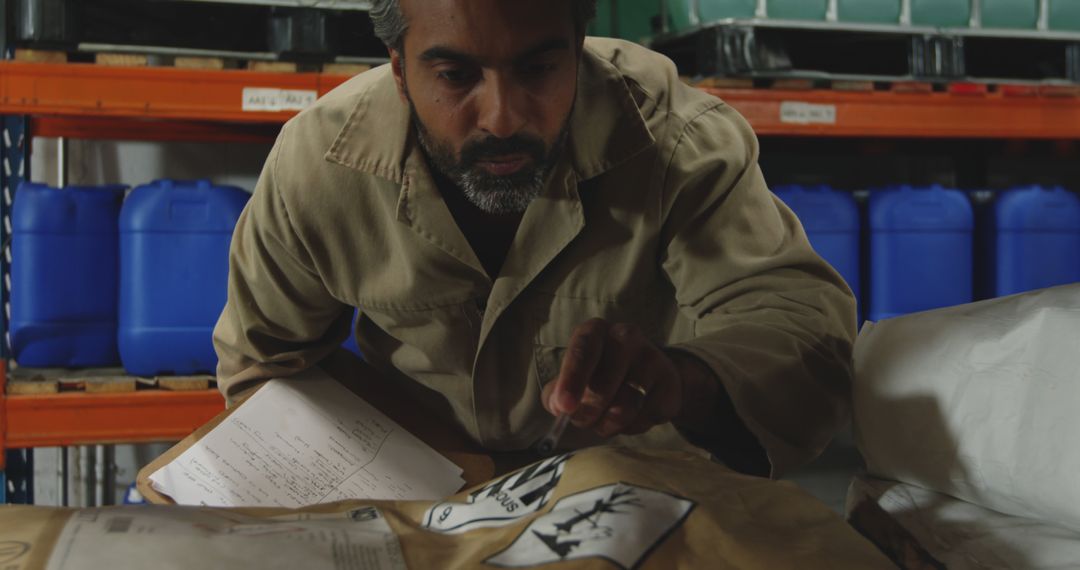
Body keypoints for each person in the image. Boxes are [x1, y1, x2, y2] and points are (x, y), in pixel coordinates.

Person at [212, 0, 856, 478]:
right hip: (424, 499)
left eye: (540, 68)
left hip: (644, 503)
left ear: (579, 46)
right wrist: (420, 468)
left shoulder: (678, 142)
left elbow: (804, 331)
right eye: (456, 76)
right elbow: (265, 365)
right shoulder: (318, 165)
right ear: (400, 70)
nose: (502, 117)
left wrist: (687, 382)